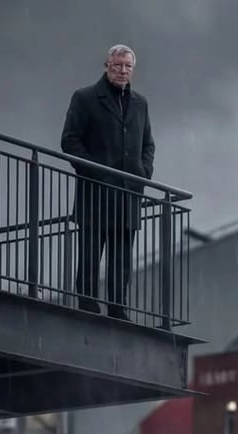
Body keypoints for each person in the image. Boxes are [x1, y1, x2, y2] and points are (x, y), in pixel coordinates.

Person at [60, 44, 155, 320]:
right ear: (106, 66)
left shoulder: (141, 103)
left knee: (122, 258)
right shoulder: (85, 98)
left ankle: (117, 307)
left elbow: (148, 144)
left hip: (129, 194)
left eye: (128, 66)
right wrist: (95, 171)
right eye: (117, 65)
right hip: (96, 191)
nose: (123, 70)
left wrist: (143, 173)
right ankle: (88, 303)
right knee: (90, 253)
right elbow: (70, 140)